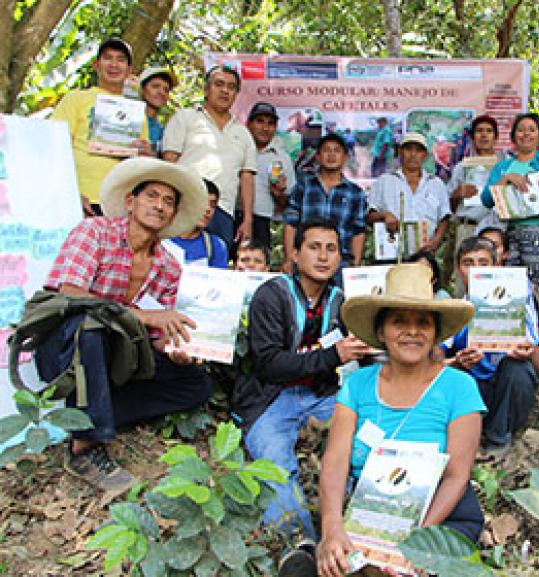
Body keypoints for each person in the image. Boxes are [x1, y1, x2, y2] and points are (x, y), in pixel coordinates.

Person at [35, 157, 211, 492]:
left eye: (168, 201)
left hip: (116, 360)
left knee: (195, 386)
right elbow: (72, 294)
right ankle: (85, 447)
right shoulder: (95, 232)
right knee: (92, 325)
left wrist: (176, 351)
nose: (159, 206)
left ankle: (86, 414)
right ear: (131, 202)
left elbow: (158, 334)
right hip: (64, 349)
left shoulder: (168, 267)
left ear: (173, 214)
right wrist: (143, 316)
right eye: (152, 196)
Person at [316, 263, 486, 577]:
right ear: (381, 332)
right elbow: (336, 460)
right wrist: (332, 527)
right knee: (342, 561)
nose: (412, 331)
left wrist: (417, 543)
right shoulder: (358, 385)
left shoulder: (459, 387)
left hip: (441, 516)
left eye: (423, 322)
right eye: (399, 321)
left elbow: (457, 476)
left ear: (435, 332)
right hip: (375, 511)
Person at [234, 218, 372, 545]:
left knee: (363, 447)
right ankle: (299, 544)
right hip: (272, 397)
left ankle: (353, 536)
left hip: (323, 395)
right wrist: (333, 355)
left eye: (331, 249)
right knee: (274, 465)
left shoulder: (344, 302)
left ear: (340, 257)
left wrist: (365, 348)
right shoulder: (272, 295)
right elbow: (268, 364)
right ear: (295, 254)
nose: (323, 257)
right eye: (313, 247)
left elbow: (355, 360)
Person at [442, 237, 539, 455]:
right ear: (459, 270)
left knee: (517, 370)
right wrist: (456, 362)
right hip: (474, 391)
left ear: (496, 266)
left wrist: (528, 351)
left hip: (507, 392)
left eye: (483, 263)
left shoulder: (518, 302)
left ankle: (498, 439)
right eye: (468, 263)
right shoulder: (454, 309)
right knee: (458, 379)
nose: (476, 270)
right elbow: (432, 363)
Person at [51, 38, 151, 217]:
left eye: (120, 59)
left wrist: (145, 154)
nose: (114, 64)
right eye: (108, 58)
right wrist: (70, 193)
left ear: (129, 70)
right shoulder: (76, 98)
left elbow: (139, 165)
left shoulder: (137, 113)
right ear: (96, 65)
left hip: (118, 204)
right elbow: (55, 146)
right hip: (77, 198)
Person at [162, 64, 257, 249]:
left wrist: (247, 220)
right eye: (219, 84)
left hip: (223, 212)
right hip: (185, 206)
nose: (225, 91)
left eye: (231, 87)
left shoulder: (243, 133)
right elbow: (169, 162)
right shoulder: (185, 118)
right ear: (206, 89)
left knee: (216, 266)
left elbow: (246, 178)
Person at [481, 113, 539, 293]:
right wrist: (507, 178)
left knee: (537, 290)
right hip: (508, 235)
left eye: (531, 130)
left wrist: (529, 181)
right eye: (521, 130)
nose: (526, 134)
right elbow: (486, 199)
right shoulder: (503, 166)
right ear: (513, 136)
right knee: (510, 290)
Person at [282, 133, 367, 281]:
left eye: (337, 150)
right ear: (318, 157)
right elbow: (291, 224)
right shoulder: (304, 186)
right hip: (306, 259)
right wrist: (289, 258)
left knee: (338, 303)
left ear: (345, 157)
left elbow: (358, 231)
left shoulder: (355, 192)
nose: (331, 155)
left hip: (341, 262)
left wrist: (355, 264)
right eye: (327, 150)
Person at [368, 132, 451, 260]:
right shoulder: (384, 181)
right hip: (392, 254)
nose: (413, 155)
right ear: (400, 152)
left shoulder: (436, 184)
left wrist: (436, 240)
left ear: (425, 155)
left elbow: (444, 217)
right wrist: (384, 215)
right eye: (408, 149)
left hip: (425, 255)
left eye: (418, 150)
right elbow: (369, 216)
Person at [445, 115, 504, 291]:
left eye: (488, 131)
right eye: (479, 131)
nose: (484, 135)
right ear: (472, 137)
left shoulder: (505, 166)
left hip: (496, 229)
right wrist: (458, 194)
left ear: (496, 137)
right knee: (464, 281)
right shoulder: (463, 166)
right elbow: (448, 206)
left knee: (494, 280)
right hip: (468, 227)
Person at [247, 101, 296, 252]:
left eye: (270, 123)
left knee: (257, 269)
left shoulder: (282, 159)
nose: (265, 128)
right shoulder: (237, 149)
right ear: (249, 124)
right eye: (259, 121)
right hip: (232, 217)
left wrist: (279, 194)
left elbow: (289, 204)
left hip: (262, 222)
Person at [167, 179, 228, 268]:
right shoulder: (161, 238)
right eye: (203, 202)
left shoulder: (215, 246)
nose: (208, 209)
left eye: (212, 205)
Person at [139, 66, 177, 156]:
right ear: (142, 90)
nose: (162, 92)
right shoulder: (130, 120)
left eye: (166, 90)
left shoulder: (164, 131)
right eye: (155, 86)